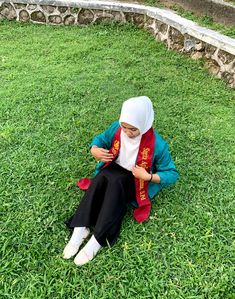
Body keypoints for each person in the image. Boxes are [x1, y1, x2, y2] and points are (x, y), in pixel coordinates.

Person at [63, 96, 179, 266]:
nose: (126, 132)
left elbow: (172, 173)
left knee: (115, 187)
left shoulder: (158, 144)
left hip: (134, 178)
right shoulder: (117, 128)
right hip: (111, 170)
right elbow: (100, 139)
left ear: (144, 124)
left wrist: (149, 177)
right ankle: (80, 228)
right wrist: (94, 149)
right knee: (101, 178)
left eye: (132, 129)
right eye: (124, 127)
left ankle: (97, 240)